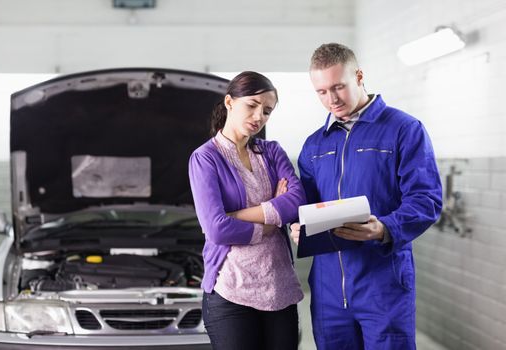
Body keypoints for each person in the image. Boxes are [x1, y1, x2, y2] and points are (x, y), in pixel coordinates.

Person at [290, 43, 442, 349]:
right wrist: (297, 225)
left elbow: (426, 199)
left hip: (383, 284)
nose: (331, 99)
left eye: (338, 87)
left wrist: (385, 228)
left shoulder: (403, 130)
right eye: (321, 91)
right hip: (328, 289)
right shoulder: (314, 145)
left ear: (359, 76)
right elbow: (304, 205)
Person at [188, 71, 306, 350]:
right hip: (231, 291)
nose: (259, 117)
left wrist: (238, 216)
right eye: (251, 105)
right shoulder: (206, 158)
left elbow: (297, 200)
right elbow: (217, 229)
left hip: (280, 289)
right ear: (230, 102)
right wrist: (271, 220)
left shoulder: (272, 152)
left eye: (266, 111)